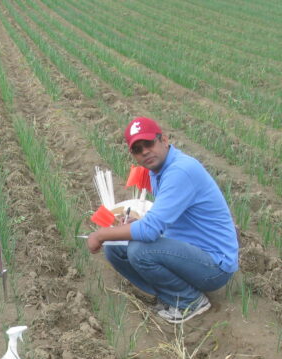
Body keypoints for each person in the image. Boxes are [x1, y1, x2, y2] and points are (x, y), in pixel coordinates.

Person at [87, 116, 239, 323]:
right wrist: (131, 226)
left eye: (149, 143)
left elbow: (150, 230)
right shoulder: (158, 170)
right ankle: (169, 296)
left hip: (215, 266)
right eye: (137, 149)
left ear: (164, 140)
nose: (145, 152)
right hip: (188, 251)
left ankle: (190, 301)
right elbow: (163, 219)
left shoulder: (181, 171)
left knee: (140, 250)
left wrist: (101, 234)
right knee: (115, 248)